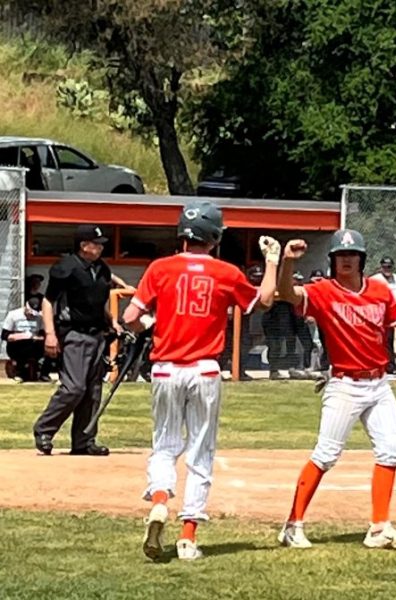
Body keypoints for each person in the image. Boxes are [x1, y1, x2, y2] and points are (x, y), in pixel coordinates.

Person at [121, 200, 280, 562]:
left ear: (182, 233)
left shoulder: (160, 268)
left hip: (165, 368)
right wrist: (272, 261)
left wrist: (150, 325)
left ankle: (160, 499)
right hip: (205, 369)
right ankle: (188, 535)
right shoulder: (226, 272)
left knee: (164, 445)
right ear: (214, 237)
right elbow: (264, 301)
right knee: (200, 452)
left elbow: (130, 316)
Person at [276, 229, 396, 550]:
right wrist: (287, 261)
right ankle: (292, 525)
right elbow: (287, 293)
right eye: (340, 255)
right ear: (332, 260)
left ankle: (379, 528)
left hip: (379, 383)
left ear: (362, 259)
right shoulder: (323, 290)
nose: (346, 259)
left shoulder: (380, 291)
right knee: (326, 455)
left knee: (391, 451)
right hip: (344, 384)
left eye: (352, 255)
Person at [33, 224, 119, 457]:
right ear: (84, 246)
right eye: (97, 244)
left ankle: (84, 440)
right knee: (74, 387)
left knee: (93, 390)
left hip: (97, 334)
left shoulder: (101, 269)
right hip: (74, 334)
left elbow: (97, 304)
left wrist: (113, 322)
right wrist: (50, 334)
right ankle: (44, 430)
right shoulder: (66, 267)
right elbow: (49, 301)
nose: (101, 248)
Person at [2, 297, 49, 382]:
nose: (31, 316)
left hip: (33, 344)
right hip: (17, 345)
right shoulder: (13, 315)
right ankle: (19, 372)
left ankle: (43, 373)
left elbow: (43, 335)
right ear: (26, 307)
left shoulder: (39, 318)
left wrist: (35, 337)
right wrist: (23, 336)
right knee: (21, 346)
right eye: (30, 313)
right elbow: (5, 336)